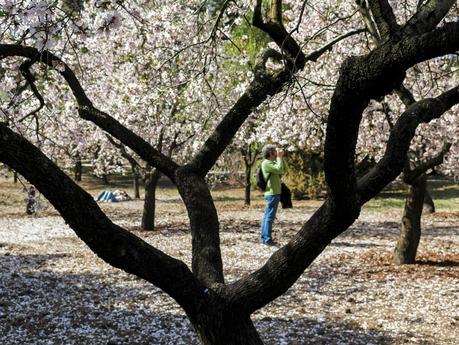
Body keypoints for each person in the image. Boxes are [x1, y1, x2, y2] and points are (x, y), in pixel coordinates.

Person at [260, 144, 288, 245]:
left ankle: (264, 238)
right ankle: (267, 239)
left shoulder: (272, 162)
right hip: (272, 193)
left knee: (268, 216)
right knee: (269, 217)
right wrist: (279, 157)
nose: (276, 152)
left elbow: (284, 169)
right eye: (273, 151)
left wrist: (281, 158)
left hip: (274, 193)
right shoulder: (266, 163)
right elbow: (279, 169)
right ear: (270, 153)